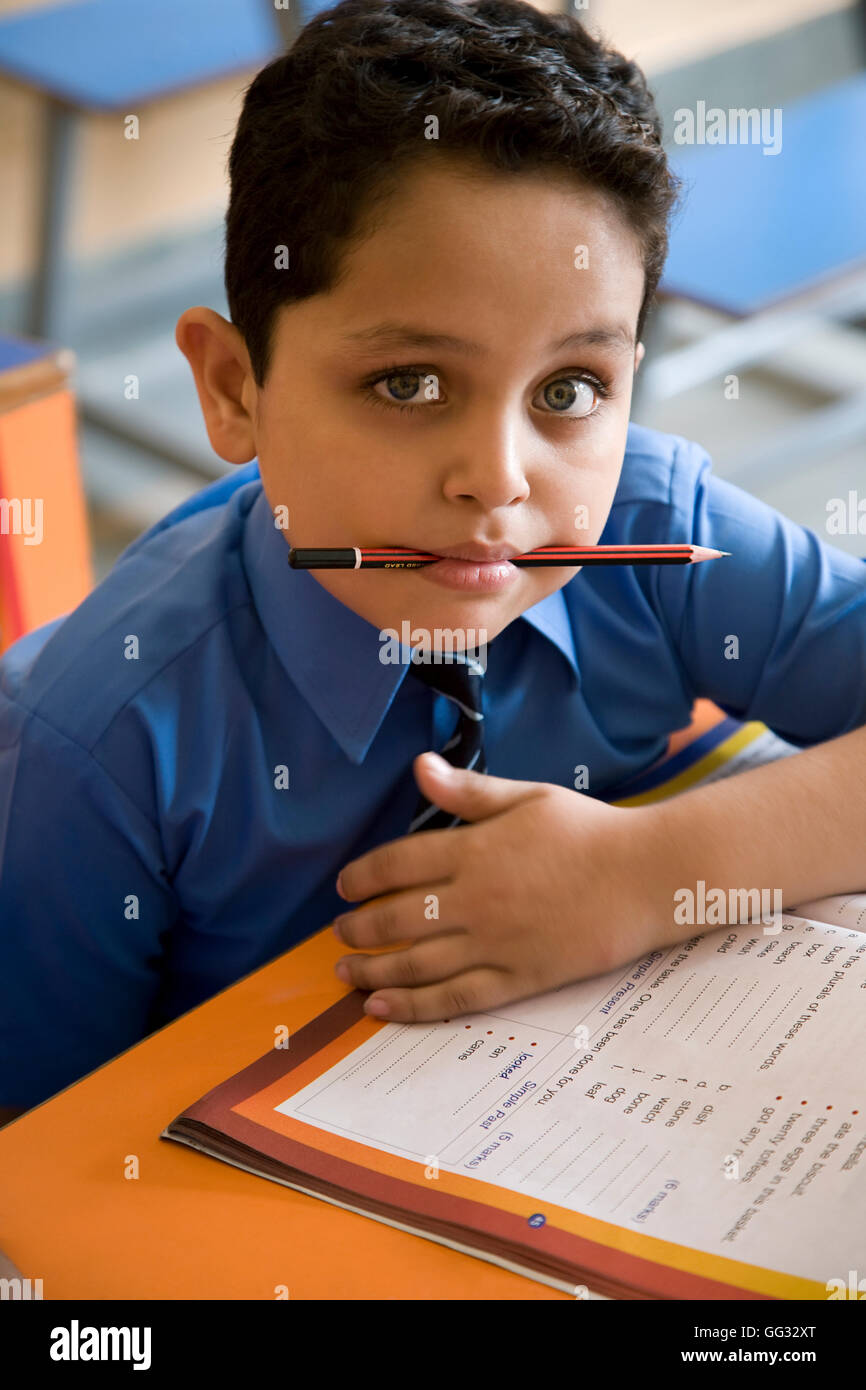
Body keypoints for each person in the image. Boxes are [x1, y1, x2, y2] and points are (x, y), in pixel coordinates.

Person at [1, 0, 864, 1122]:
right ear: (230, 387)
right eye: (408, 383)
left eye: (569, 391)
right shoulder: (93, 747)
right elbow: (40, 1175)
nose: (497, 480)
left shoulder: (653, 527)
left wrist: (642, 873)